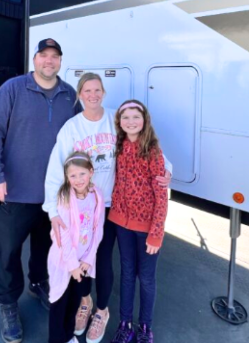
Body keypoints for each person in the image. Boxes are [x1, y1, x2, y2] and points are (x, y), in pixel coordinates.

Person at [43, 73, 171, 343]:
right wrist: (53, 210)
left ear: (103, 92)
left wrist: (166, 172)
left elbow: (148, 146)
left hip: (111, 207)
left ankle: (102, 312)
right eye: (87, 91)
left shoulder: (117, 121)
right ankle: (85, 303)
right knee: (80, 259)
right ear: (79, 95)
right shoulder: (72, 128)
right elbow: (56, 169)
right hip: (81, 209)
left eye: (97, 90)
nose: (92, 95)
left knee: (101, 261)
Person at [0, 38, 81, 343]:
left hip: (54, 196)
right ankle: (8, 303)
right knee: (9, 252)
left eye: (54, 57)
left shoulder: (69, 95)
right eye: (43, 56)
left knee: (46, 249)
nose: (48, 61)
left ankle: (38, 283)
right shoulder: (13, 89)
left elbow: (82, 136)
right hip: (15, 192)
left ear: (60, 62)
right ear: (34, 59)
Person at [109, 100, 168, 343]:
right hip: (122, 224)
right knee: (126, 273)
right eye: (126, 117)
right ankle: (125, 324)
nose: (131, 121)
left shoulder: (153, 151)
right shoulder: (118, 146)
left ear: (145, 120)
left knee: (146, 278)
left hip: (146, 229)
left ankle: (145, 327)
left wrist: (156, 233)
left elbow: (161, 196)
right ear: (119, 122)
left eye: (136, 116)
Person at [48, 151, 105, 343]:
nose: (78, 179)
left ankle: (68, 336)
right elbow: (62, 234)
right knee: (59, 303)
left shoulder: (96, 195)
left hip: (82, 263)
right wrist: (72, 265)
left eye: (82, 174)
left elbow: (98, 229)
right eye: (73, 176)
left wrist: (88, 259)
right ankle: (56, 339)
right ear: (67, 177)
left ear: (91, 172)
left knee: (74, 301)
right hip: (65, 262)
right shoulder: (65, 197)